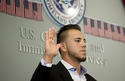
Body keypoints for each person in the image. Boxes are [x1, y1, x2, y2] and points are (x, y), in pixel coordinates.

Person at [31, 24, 97, 81]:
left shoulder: (92, 79)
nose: (84, 45)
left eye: (84, 41)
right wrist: (48, 56)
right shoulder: (49, 73)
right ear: (63, 46)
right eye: (77, 41)